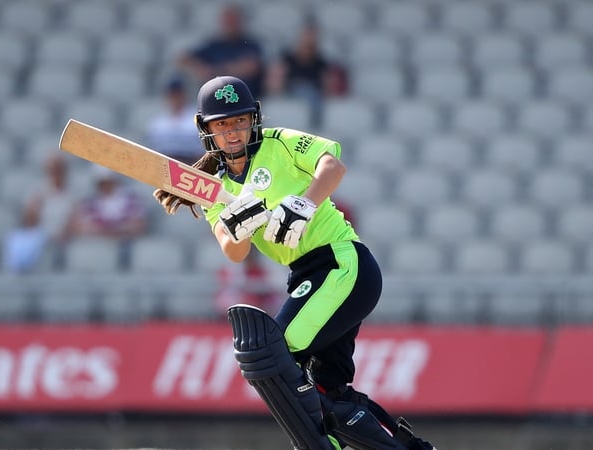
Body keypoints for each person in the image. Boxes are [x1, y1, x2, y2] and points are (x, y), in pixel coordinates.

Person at [153, 76, 435, 450]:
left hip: (341, 263)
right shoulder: (216, 188)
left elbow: (333, 166)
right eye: (222, 125)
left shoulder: (280, 143)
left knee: (273, 353)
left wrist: (305, 202)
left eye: (239, 121)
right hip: (306, 276)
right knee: (327, 390)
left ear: (253, 119)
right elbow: (232, 251)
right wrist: (238, 229)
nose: (233, 132)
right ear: (207, 131)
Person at [265, 18, 349, 127]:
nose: (308, 41)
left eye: (312, 37)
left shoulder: (322, 64)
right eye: (306, 37)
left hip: (315, 104)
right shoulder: (286, 61)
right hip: (290, 100)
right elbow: (274, 87)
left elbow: (328, 90)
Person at [177, 3, 265, 97]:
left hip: (247, 99)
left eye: (233, 20)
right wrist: (199, 68)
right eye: (227, 21)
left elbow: (252, 67)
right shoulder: (213, 45)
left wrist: (216, 72)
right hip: (215, 100)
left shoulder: (250, 44)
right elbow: (182, 59)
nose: (229, 24)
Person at [70, 165, 147, 239]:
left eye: (109, 181)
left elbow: (139, 226)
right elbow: (79, 227)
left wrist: (113, 231)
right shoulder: (89, 203)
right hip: (98, 245)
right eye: (103, 182)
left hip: (125, 245)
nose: (106, 185)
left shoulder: (131, 200)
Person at [144, 76, 204, 165]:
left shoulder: (197, 119)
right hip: (163, 166)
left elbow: (202, 153)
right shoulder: (157, 124)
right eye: (172, 95)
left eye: (178, 94)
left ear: (185, 94)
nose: (175, 98)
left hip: (191, 165)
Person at [214, 250, 281, 319]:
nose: (249, 258)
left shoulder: (260, 269)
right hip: (238, 298)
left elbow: (269, 286)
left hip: (259, 300)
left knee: (274, 302)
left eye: (251, 256)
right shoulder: (233, 268)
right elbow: (231, 285)